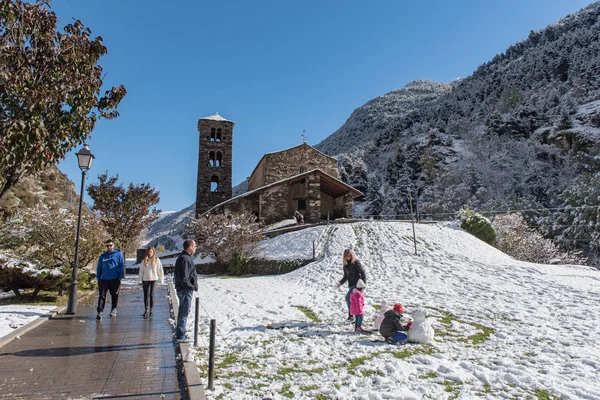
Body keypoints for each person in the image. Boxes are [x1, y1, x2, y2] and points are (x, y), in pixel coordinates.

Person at [174, 239, 198, 342]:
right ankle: (180, 335)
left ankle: (181, 333)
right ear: (190, 247)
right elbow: (184, 276)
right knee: (184, 312)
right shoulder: (185, 259)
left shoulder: (183, 257)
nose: (196, 248)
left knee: (183, 311)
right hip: (185, 290)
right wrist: (190, 286)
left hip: (183, 288)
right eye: (194, 246)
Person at [96, 239, 125, 320]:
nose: (109, 247)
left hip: (114, 279)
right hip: (103, 279)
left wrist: (119, 277)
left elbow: (121, 266)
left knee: (114, 295)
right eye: (107, 246)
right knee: (102, 296)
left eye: (110, 245)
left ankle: (113, 309)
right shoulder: (102, 256)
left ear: (113, 245)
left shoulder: (119, 254)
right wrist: (98, 277)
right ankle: (100, 311)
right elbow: (99, 267)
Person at [336, 248, 367, 322]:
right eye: (347, 256)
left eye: (350, 255)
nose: (348, 257)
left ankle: (351, 315)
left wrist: (363, 285)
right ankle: (354, 316)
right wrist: (340, 282)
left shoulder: (356, 262)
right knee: (353, 300)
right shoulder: (345, 265)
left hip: (357, 284)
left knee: (348, 298)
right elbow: (346, 276)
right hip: (351, 284)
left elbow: (362, 273)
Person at [138, 246, 164, 318]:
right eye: (149, 252)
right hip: (145, 279)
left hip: (154, 279)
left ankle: (151, 310)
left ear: (153, 252)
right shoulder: (144, 261)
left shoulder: (156, 260)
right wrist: (139, 280)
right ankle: (146, 309)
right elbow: (141, 271)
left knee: (152, 294)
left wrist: (161, 279)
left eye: (151, 252)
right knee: (146, 295)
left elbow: (160, 270)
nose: (150, 253)